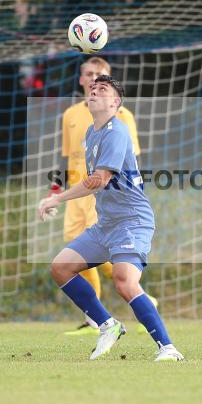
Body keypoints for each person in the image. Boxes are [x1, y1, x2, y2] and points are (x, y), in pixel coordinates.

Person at [38, 74, 184, 362]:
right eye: (92, 88)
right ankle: (108, 325)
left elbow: (99, 180)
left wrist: (57, 197)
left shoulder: (118, 132)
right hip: (106, 223)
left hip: (132, 220)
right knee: (61, 268)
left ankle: (168, 349)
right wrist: (57, 189)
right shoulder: (91, 134)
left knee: (124, 280)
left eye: (102, 89)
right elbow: (88, 177)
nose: (94, 91)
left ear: (115, 103)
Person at [55, 57, 154, 336]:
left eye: (101, 79)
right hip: (81, 190)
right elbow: (68, 158)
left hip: (103, 192)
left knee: (121, 275)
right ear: (81, 80)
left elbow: (124, 159)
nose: (94, 83)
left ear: (115, 101)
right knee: (67, 259)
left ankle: (131, 300)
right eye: (90, 76)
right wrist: (56, 190)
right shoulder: (74, 117)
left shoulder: (121, 122)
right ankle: (102, 320)